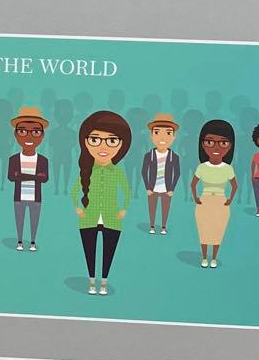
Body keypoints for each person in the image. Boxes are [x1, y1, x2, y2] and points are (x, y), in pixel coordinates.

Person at [69, 111, 132, 296]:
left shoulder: (118, 171)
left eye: (112, 140)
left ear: (122, 144)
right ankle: (91, 280)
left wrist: (124, 209)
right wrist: (77, 207)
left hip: (112, 218)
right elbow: (74, 190)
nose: (103, 146)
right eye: (95, 140)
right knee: (90, 251)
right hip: (88, 217)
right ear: (85, 142)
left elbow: (127, 192)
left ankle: (103, 281)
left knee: (108, 252)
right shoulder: (86, 170)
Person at [190, 119, 238, 268]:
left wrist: (229, 199)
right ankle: (204, 257)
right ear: (202, 144)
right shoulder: (202, 167)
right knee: (204, 230)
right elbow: (193, 184)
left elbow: (234, 186)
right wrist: (196, 198)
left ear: (230, 145)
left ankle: (214, 258)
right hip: (204, 202)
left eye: (223, 143)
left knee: (218, 231)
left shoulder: (227, 168)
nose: (216, 147)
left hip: (221, 202)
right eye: (210, 142)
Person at [6, 105, 50, 251]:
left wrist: (21, 176)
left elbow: (45, 178)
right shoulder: (13, 159)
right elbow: (11, 177)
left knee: (34, 220)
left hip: (36, 198)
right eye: (23, 131)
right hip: (19, 197)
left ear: (42, 135)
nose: (29, 137)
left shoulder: (43, 160)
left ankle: (32, 241)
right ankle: (19, 241)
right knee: (19, 220)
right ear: (16, 134)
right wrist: (34, 177)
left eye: (36, 132)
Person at [140, 113, 181, 234]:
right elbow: (144, 172)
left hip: (166, 188)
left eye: (168, 133)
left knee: (165, 208)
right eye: (157, 132)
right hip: (152, 188)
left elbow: (177, 173)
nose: (162, 138)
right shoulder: (149, 156)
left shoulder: (174, 157)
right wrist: (148, 187)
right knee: (152, 207)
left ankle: (163, 227)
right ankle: (152, 226)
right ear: (151, 136)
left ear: (174, 136)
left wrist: (172, 189)